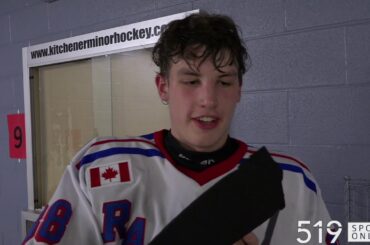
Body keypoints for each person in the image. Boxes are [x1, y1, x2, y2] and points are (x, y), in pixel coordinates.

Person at [23, 12, 336, 245]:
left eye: (224, 82)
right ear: (163, 88)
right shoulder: (96, 171)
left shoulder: (294, 183)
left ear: (239, 89)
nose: (208, 100)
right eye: (190, 81)